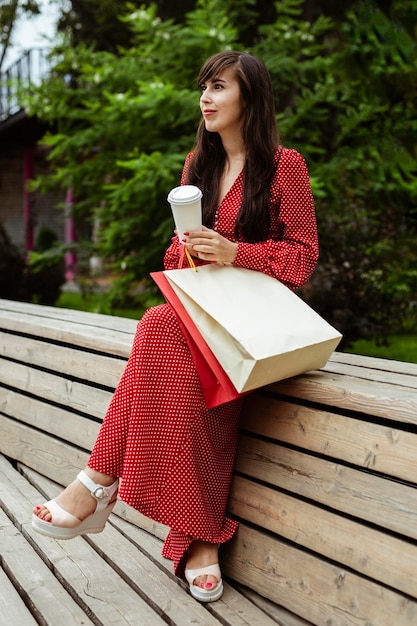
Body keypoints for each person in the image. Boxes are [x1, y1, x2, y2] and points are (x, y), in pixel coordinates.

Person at [32, 50, 319, 603]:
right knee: (166, 329)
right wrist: (191, 251)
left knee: (158, 326)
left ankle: (96, 484)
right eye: (203, 87)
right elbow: (175, 255)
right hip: (203, 317)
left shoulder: (286, 165)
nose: (206, 98)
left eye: (218, 87)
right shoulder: (197, 168)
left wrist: (237, 252)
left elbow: (302, 258)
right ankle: (195, 535)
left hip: (253, 327)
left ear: (250, 97)